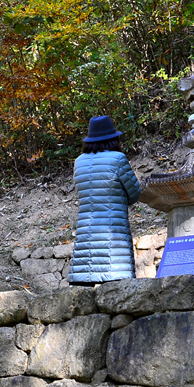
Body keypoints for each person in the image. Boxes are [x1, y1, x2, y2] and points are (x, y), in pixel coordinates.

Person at [67, 115, 142, 284]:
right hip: (113, 234)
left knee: (84, 280)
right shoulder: (118, 159)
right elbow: (135, 192)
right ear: (113, 139)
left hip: (86, 232)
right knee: (117, 284)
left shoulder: (79, 162)